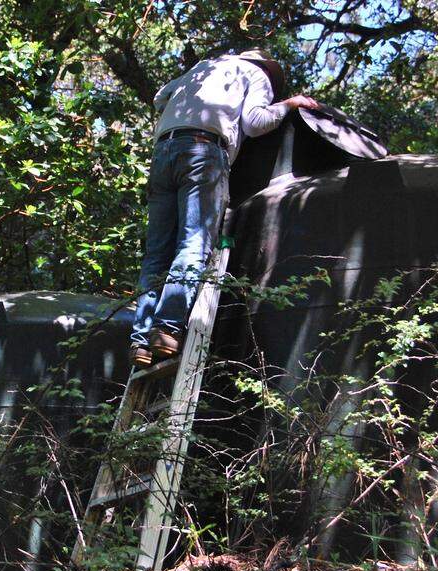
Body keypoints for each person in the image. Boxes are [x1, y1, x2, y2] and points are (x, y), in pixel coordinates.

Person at [129, 50, 318, 367]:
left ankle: (140, 342)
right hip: (204, 150)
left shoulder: (204, 67)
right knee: (193, 242)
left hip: (163, 151)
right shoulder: (256, 74)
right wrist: (289, 104)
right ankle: (166, 327)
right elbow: (256, 123)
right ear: (267, 69)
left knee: (156, 252)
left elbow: (161, 98)